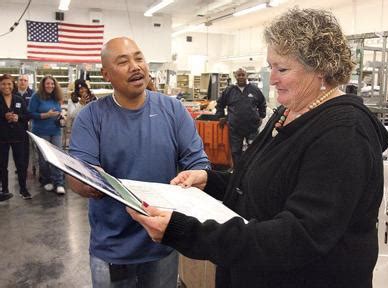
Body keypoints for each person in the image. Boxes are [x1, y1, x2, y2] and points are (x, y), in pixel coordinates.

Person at [127, 8, 388, 288]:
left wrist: (186, 232)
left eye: (282, 69)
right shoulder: (289, 112)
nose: (272, 78)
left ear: (321, 69)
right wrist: (210, 181)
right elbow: (263, 183)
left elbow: (297, 237)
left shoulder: (343, 134)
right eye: (271, 67)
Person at [67, 37, 210, 288]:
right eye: (123, 62)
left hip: (163, 240)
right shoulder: (91, 117)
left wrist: (197, 174)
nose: (135, 66)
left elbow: (198, 161)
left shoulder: (173, 110)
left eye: (139, 58)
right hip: (113, 248)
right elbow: (78, 176)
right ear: (106, 74)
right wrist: (89, 181)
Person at [216, 67, 266, 167]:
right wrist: (220, 116)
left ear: (246, 76)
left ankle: (251, 170)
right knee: (235, 151)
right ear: (235, 76)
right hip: (235, 128)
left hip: (252, 127)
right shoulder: (229, 90)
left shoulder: (254, 90)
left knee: (254, 150)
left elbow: (262, 103)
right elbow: (220, 104)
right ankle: (237, 171)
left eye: (243, 75)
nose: (241, 77)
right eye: (239, 75)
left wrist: (261, 116)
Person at [28, 75, 66, 195]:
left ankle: (59, 182)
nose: (50, 86)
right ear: (43, 85)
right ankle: (46, 180)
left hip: (55, 130)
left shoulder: (56, 97)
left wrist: (61, 116)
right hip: (41, 131)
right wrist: (46, 115)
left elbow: (58, 111)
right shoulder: (36, 97)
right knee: (44, 158)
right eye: (48, 84)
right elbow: (30, 113)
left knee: (57, 156)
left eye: (52, 84)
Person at [0, 74, 31, 200]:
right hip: (2, 138)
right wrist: (3, 117)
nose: (6, 86)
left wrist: (18, 118)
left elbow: (27, 116)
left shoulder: (19, 99)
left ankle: (23, 189)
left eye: (9, 84)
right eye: (3, 84)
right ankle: (5, 190)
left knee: (21, 164)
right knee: (2, 165)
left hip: (19, 137)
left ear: (13, 85)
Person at [15, 74, 33, 176]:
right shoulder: (13, 93)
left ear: (28, 82)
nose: (22, 82)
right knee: (17, 147)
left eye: (25, 80)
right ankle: (18, 167)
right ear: (18, 82)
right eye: (21, 80)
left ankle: (25, 167)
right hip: (15, 126)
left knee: (26, 148)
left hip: (29, 124)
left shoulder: (33, 94)